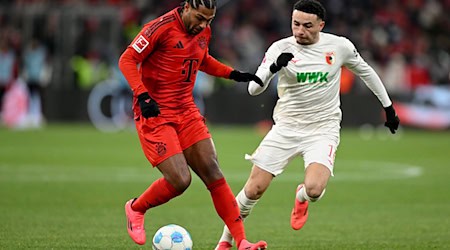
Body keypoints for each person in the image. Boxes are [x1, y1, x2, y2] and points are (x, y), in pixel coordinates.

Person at [215, 0, 400, 249]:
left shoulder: (340, 46)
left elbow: (366, 72)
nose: (300, 31)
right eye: (295, 24)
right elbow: (253, 89)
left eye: (307, 26)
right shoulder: (280, 48)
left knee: (314, 189)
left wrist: (388, 108)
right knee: (254, 188)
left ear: (321, 25)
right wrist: (273, 67)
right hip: (286, 127)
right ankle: (225, 241)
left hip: (323, 128)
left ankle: (301, 196)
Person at [118, 0, 267, 249]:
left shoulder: (203, 30)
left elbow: (202, 59)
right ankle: (136, 208)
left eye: (209, 20)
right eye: (199, 18)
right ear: (186, 7)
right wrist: (142, 94)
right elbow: (127, 59)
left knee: (213, 171)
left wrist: (233, 74)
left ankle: (241, 242)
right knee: (180, 180)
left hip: (186, 110)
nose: (203, 25)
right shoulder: (159, 27)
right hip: (156, 113)